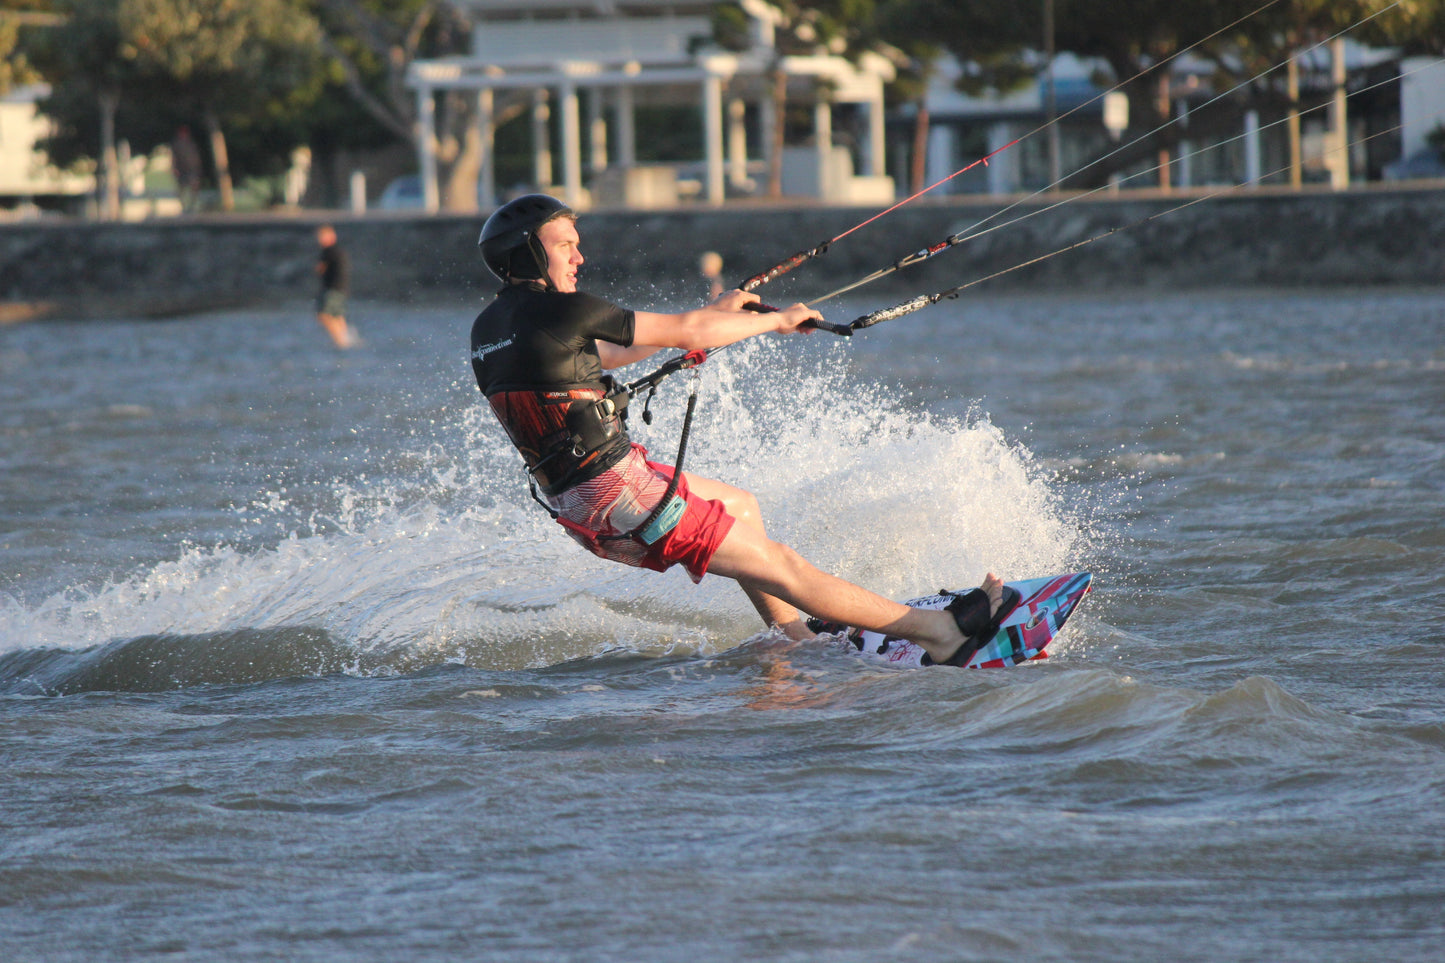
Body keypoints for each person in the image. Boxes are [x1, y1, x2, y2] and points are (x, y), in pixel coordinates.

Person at [468, 194, 1016, 666]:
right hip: (622, 497)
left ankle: (794, 640)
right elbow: (683, 332)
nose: (580, 255)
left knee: (740, 506)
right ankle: (941, 635)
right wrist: (773, 320)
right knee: (785, 567)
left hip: (581, 503)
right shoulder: (563, 312)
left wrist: (715, 315)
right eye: (566, 244)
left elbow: (611, 353)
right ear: (530, 252)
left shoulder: (491, 329)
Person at [314, 225, 358, 349]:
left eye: (322, 236)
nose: (320, 239)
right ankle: (346, 339)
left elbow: (320, 269)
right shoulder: (340, 251)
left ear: (332, 236)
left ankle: (340, 341)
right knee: (337, 315)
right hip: (342, 288)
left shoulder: (328, 251)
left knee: (324, 315)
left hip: (332, 288)